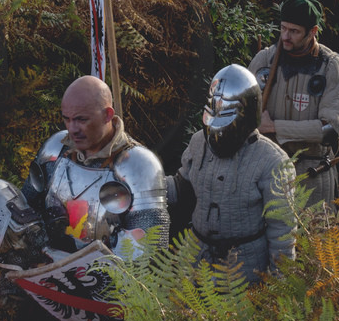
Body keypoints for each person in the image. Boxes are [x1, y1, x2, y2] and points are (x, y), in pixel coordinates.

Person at [21, 74, 169, 256]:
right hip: (46, 267)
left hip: (110, 279)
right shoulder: (55, 150)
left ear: (107, 115)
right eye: (67, 119)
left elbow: (149, 250)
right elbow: (25, 207)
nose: (72, 129)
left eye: (81, 119)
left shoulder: (138, 166)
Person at [174, 65, 297, 284]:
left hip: (244, 271)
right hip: (194, 262)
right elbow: (181, 190)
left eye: (226, 118)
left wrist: (280, 287)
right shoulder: (197, 143)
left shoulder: (273, 162)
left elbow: (282, 235)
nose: (217, 131)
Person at [247, 0, 339, 207]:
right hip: (268, 170)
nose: (285, 36)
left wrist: (274, 127)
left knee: (311, 238)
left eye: (294, 31)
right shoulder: (265, 60)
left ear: (313, 31)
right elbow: (243, 108)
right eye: (283, 28)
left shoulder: (331, 66)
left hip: (311, 174)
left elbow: (329, 129)